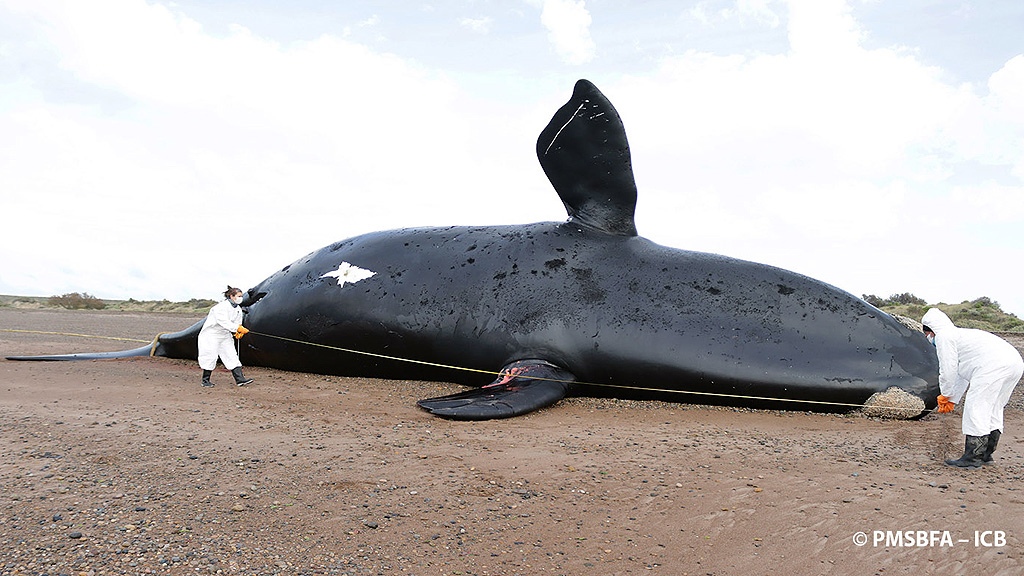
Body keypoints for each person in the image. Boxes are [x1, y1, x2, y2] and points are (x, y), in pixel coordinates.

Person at [922, 308, 1023, 468]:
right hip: (1014, 363)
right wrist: (952, 399)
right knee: (994, 407)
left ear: (930, 331)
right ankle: (986, 455)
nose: (928, 338)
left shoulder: (944, 337)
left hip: (993, 365)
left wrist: (945, 395)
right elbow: (961, 374)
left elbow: (948, 370)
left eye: (927, 334)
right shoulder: (960, 335)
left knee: (976, 407)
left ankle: (973, 458)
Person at [198, 286, 254, 387]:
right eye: (239, 296)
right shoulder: (220, 307)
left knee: (231, 355)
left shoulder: (238, 309)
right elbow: (223, 321)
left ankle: (240, 379)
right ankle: (205, 380)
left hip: (225, 335)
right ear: (231, 296)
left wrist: (238, 331)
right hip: (212, 334)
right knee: (210, 356)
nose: (241, 298)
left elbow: (237, 322)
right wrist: (237, 328)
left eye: (241, 296)